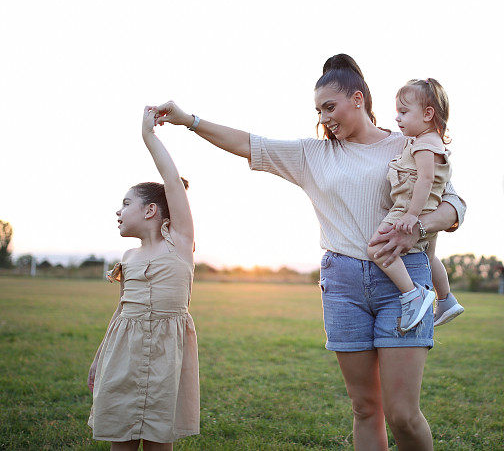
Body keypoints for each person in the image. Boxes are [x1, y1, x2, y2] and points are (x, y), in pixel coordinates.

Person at [150, 54, 466, 450]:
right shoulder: (312, 155)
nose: (325, 117)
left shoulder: (410, 143)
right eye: (319, 110)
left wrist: (416, 228)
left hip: (404, 284)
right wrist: (188, 120)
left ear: (358, 98)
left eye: (330, 107)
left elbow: (455, 207)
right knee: (365, 408)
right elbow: (247, 143)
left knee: (402, 413)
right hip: (343, 285)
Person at [87, 107, 199, 451]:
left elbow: (170, 179)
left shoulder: (179, 243)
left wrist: (148, 136)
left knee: (156, 440)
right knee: (120, 435)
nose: (118, 212)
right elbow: (121, 310)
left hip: (165, 356)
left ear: (151, 210)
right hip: (124, 354)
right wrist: (99, 357)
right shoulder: (129, 258)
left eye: (126, 204)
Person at [367, 78, 465, 331]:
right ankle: (446, 300)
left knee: (377, 248)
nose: (397, 118)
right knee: (429, 256)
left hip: (407, 208)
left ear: (428, 114)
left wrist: (411, 214)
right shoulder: (432, 142)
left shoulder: (423, 145)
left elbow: (425, 178)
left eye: (404, 112)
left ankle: (412, 294)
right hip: (431, 209)